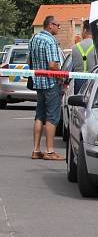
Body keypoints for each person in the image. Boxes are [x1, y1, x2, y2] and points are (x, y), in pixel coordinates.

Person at [29, 15, 64, 160]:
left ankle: (36, 150)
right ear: (50, 25)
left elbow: (29, 61)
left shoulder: (34, 38)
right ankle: (50, 151)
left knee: (39, 115)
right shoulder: (50, 41)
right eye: (57, 25)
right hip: (50, 83)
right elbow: (52, 65)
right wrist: (61, 76)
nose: (58, 28)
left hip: (38, 83)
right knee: (52, 117)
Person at [71, 19, 96, 94]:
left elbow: (73, 66)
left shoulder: (75, 47)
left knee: (78, 102)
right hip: (94, 79)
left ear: (84, 30)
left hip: (79, 80)